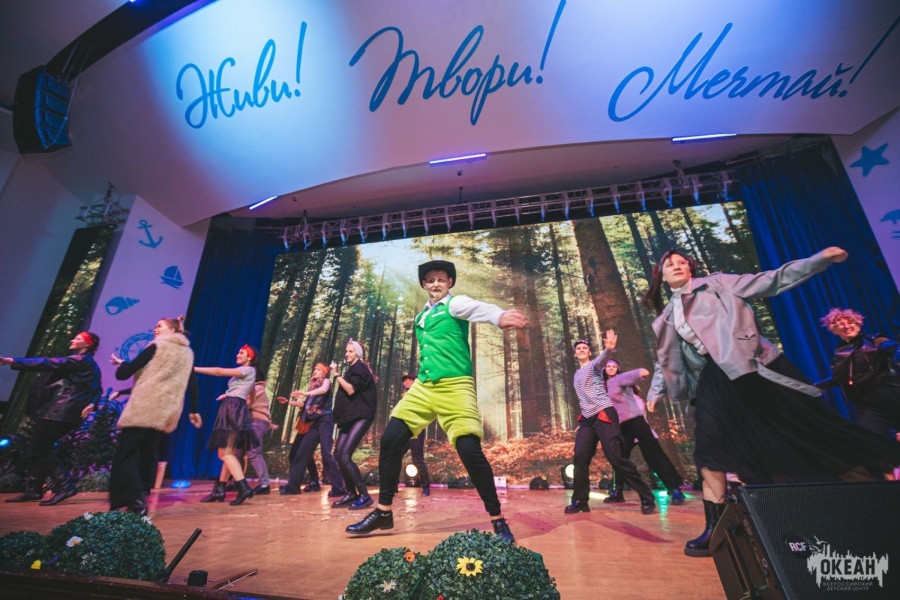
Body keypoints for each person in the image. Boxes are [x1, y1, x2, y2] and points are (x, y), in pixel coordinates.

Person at [642, 247, 900, 558]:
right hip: (714, 377)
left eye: (682, 262)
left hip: (751, 367)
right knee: (708, 449)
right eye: (669, 264)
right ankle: (716, 528)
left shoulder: (718, 283)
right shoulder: (667, 316)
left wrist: (817, 261)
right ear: (661, 275)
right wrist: (655, 391)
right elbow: (666, 359)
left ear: (691, 268)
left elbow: (772, 280)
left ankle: (871, 485)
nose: (677, 266)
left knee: (804, 431)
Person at [347, 260, 525, 542]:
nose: (436, 284)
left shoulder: (455, 305)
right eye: (430, 280)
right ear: (424, 285)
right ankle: (383, 512)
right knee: (391, 439)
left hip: (455, 386)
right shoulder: (421, 317)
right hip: (424, 387)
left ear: (449, 282)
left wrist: (499, 316)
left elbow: (478, 308)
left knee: (469, 449)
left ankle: (497, 519)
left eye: (441, 279)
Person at [109, 316, 202, 515]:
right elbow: (193, 383)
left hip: (144, 406)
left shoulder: (157, 346)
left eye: (159, 326)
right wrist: (194, 410)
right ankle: (141, 493)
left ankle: (135, 500)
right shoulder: (188, 353)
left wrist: (122, 364)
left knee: (126, 454)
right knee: (148, 453)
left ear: (172, 330)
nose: (155, 329)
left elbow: (124, 374)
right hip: (165, 412)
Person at [1, 331, 102, 505]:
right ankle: (33, 489)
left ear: (87, 344)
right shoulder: (90, 364)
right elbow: (97, 388)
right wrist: (92, 403)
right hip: (63, 413)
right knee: (36, 449)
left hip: (59, 412)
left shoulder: (79, 360)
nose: (73, 339)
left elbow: (46, 362)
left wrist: (11, 361)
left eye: (78, 338)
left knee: (40, 450)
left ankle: (65, 486)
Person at [565, 333, 657, 516]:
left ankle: (647, 496)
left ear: (589, 352)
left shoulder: (594, 366)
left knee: (615, 457)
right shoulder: (576, 375)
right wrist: (583, 421)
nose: (581, 350)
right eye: (578, 349)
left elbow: (602, 359)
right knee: (580, 456)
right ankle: (580, 501)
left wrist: (608, 349)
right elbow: (584, 399)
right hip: (587, 419)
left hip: (604, 414)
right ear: (575, 354)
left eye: (584, 348)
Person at [602, 359, 685, 505]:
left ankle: (675, 489)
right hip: (621, 427)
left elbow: (642, 373)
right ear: (604, 369)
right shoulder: (601, 386)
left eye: (614, 366)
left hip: (636, 422)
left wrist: (639, 374)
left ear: (618, 369)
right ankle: (617, 491)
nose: (611, 368)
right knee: (619, 458)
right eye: (608, 366)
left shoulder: (620, 379)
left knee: (654, 454)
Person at [817, 308, 900, 438]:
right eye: (840, 324)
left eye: (850, 322)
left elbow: (891, 347)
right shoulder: (839, 354)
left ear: (858, 324)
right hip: (867, 403)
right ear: (834, 330)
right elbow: (838, 378)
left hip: (891, 393)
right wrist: (820, 386)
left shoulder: (874, 340)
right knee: (870, 440)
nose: (846, 326)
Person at [193, 345, 260, 506]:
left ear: (249, 357)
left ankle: (243, 487)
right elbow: (252, 397)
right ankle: (220, 489)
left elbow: (219, 371)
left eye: (241, 353)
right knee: (227, 453)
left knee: (225, 454)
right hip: (235, 406)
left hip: (232, 409)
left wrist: (193, 369)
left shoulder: (247, 369)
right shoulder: (251, 373)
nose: (237, 354)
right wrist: (232, 395)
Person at [278, 362, 344, 497]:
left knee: (326, 454)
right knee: (301, 453)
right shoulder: (312, 388)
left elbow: (324, 390)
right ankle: (293, 487)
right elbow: (305, 405)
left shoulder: (326, 381)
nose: (315, 371)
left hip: (325, 421)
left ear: (324, 373)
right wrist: (289, 402)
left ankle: (339, 487)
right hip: (314, 422)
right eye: (314, 369)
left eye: (318, 369)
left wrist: (306, 393)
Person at [329, 341, 378, 509]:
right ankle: (351, 494)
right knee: (338, 455)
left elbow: (350, 389)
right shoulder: (352, 369)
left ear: (358, 353)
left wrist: (336, 375)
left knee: (344, 456)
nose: (347, 354)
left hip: (361, 416)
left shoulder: (360, 369)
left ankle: (365, 495)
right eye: (346, 351)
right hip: (350, 417)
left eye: (350, 351)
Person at [232, 371, 273, 495]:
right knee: (237, 453)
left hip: (256, 422)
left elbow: (245, 402)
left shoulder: (258, 388)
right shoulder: (253, 388)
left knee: (253, 452)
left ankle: (265, 484)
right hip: (247, 422)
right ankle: (237, 482)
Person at [398, 373, 431, 496]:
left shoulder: (419, 394)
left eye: (410, 380)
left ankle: (426, 487)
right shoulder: (403, 395)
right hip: (404, 429)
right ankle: (393, 485)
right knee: (397, 454)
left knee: (417, 458)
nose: (407, 382)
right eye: (405, 380)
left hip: (416, 429)